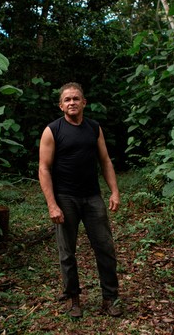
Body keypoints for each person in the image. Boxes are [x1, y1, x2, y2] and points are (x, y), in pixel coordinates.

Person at [38, 82, 122, 319]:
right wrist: (52, 204)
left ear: (84, 102)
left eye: (76, 98)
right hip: (65, 198)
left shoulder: (94, 128)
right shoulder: (52, 130)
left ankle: (110, 298)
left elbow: (105, 161)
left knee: (105, 248)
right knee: (67, 251)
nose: (72, 102)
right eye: (67, 99)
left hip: (93, 197)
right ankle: (73, 299)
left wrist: (114, 191)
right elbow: (43, 168)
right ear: (61, 105)